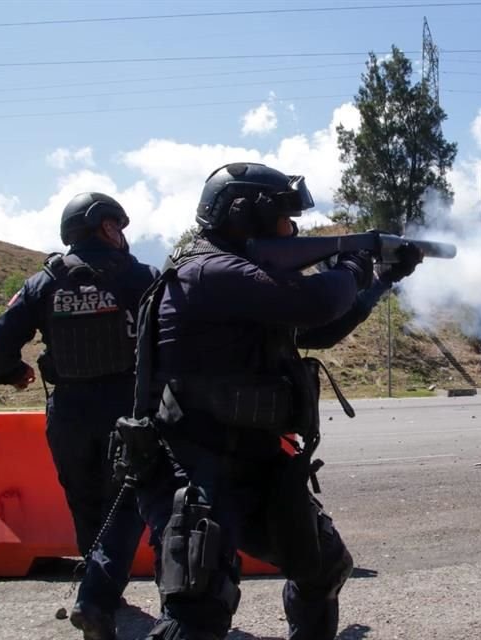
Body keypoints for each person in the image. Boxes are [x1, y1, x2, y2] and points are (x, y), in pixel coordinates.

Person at [128, 162, 423, 640]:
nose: (294, 230)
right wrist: (354, 258)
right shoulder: (209, 270)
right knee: (197, 613)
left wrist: (380, 280)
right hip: (196, 465)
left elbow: (322, 329)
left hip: (255, 461)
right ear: (248, 216)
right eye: (286, 219)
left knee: (323, 568)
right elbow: (314, 303)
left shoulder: (244, 277)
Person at [0, 192, 160, 640]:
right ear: (105, 227)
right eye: (118, 227)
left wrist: (11, 372)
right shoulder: (141, 276)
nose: (122, 236)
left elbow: (0, 338)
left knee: (84, 500)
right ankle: (98, 596)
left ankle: (100, 591)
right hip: (128, 407)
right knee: (125, 502)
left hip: (68, 412)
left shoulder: (44, 281)